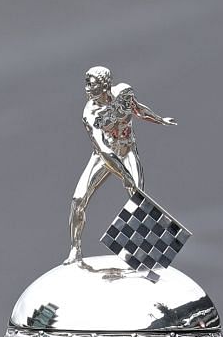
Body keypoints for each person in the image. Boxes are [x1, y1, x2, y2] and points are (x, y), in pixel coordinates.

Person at [65, 65, 176, 262]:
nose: (87, 89)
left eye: (92, 84)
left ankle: (143, 251)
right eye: (86, 84)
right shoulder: (91, 115)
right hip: (104, 156)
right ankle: (75, 248)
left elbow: (139, 110)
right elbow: (103, 150)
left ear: (105, 85)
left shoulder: (124, 93)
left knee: (138, 197)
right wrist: (123, 174)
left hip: (127, 149)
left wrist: (160, 120)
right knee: (78, 200)